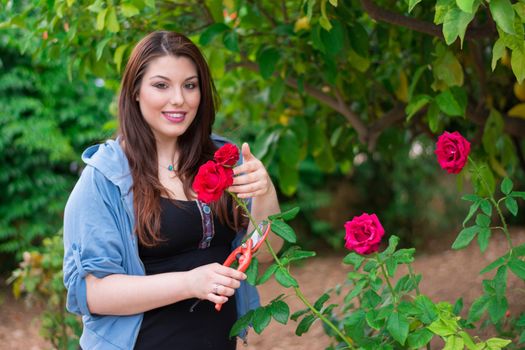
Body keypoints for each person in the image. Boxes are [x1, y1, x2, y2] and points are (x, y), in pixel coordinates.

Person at [63, 31, 281, 350]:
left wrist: (264, 190)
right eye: (161, 85)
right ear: (135, 91)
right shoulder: (105, 178)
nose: (178, 99)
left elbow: (267, 252)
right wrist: (189, 283)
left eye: (189, 85)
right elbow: (92, 293)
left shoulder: (222, 159)